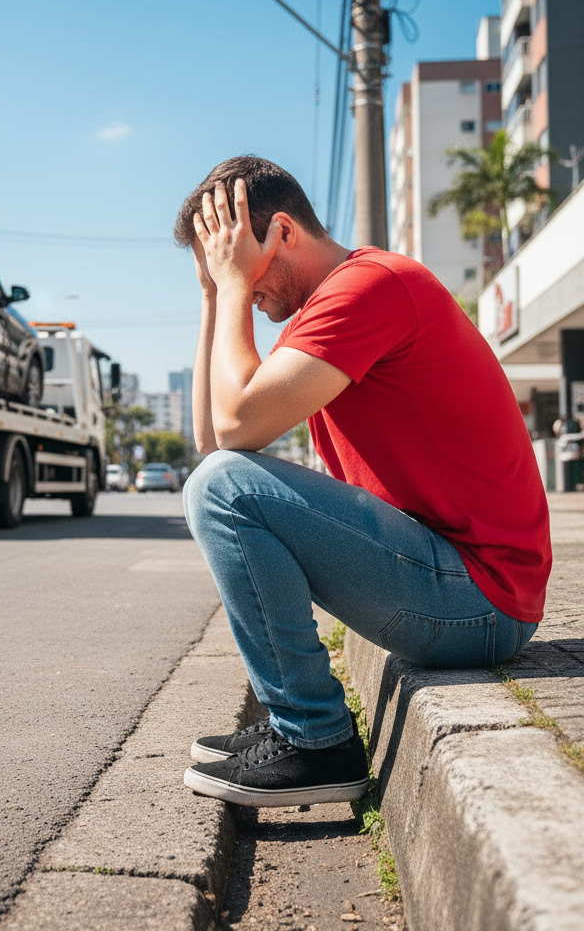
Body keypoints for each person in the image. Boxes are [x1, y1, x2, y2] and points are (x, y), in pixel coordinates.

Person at [175, 156, 551, 809]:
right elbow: (213, 441)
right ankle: (296, 722)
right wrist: (216, 293)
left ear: (282, 232)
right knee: (218, 480)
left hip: (481, 598)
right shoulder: (319, 314)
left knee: (224, 489)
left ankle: (315, 741)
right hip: (457, 582)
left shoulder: (370, 287)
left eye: (236, 257)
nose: (244, 286)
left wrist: (235, 288)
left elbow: (232, 436)